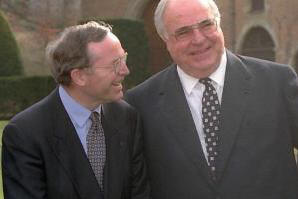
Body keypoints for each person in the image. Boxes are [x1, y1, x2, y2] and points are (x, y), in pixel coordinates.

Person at [125, 0, 298, 198]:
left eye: (206, 25)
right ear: (166, 40)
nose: (198, 39)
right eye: (183, 32)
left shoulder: (277, 83)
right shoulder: (140, 103)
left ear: (219, 24)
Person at [2, 21, 150, 199]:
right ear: (79, 76)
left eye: (123, 59)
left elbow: (139, 193)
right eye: (115, 64)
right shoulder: (26, 133)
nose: (125, 70)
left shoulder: (127, 117)